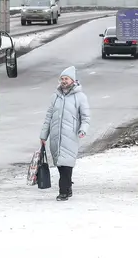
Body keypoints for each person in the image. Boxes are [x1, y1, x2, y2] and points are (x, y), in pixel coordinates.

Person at [39, 65, 91, 201]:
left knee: (66, 164)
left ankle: (63, 191)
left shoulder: (80, 97)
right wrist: (43, 135)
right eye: (62, 79)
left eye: (66, 78)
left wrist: (83, 130)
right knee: (60, 165)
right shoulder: (55, 97)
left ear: (73, 80)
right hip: (56, 136)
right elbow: (48, 116)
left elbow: (85, 117)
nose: (63, 81)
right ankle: (68, 188)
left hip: (71, 136)